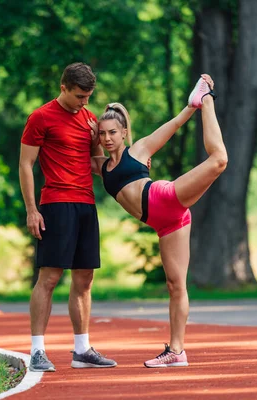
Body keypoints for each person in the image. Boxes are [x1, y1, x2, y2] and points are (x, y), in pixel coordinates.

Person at [89, 75, 227, 368]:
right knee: (176, 285)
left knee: (218, 160)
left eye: (113, 132)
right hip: (165, 224)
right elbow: (80, 151)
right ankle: (177, 352)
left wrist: (193, 106)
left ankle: (207, 99)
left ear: (124, 133)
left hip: (166, 198)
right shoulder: (101, 167)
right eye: (103, 134)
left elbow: (174, 125)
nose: (108, 138)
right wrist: (89, 132)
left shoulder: (138, 150)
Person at [19, 62, 117, 372]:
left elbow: (93, 162)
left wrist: (127, 162)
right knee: (49, 278)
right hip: (56, 204)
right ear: (63, 88)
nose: (84, 103)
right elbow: (25, 165)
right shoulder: (41, 117)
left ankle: (82, 350)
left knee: (84, 279)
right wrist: (32, 210)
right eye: (78, 96)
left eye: (88, 97)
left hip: (86, 205)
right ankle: (37, 351)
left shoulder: (89, 120)